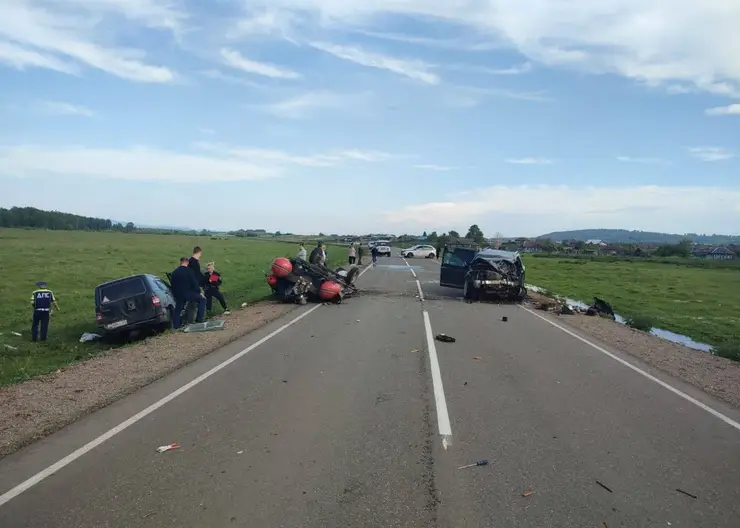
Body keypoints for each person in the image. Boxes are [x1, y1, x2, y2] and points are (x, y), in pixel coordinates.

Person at [170, 257, 206, 329]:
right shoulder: (189, 271)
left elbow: (172, 285)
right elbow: (194, 283)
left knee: (178, 310)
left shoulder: (174, 272)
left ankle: (176, 327)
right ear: (187, 262)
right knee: (203, 299)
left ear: (180, 262)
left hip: (178, 294)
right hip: (188, 293)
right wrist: (199, 292)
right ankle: (199, 320)